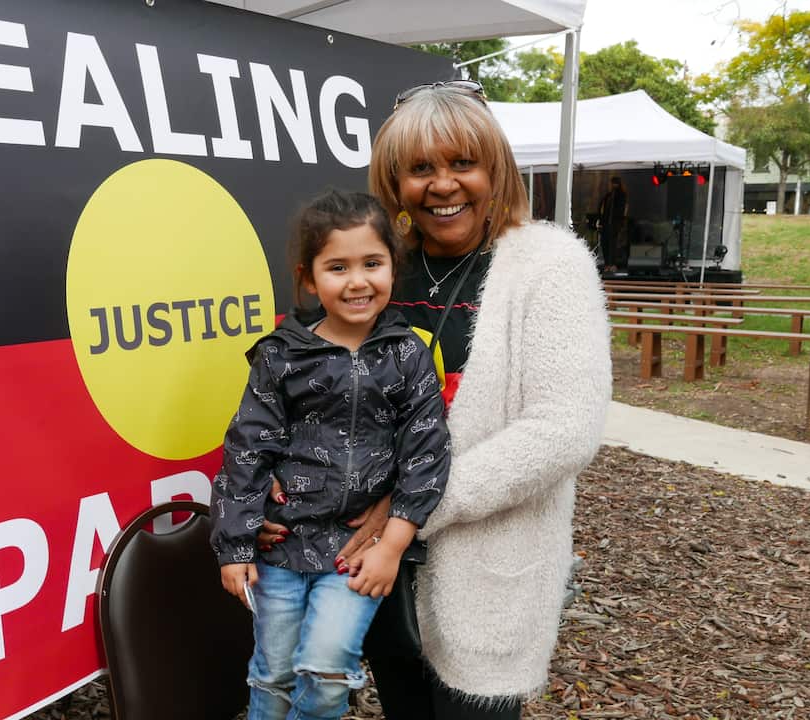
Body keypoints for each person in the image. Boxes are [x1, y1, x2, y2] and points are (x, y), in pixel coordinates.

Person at [258, 80, 612, 718]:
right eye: (420, 168)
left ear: (494, 169)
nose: (443, 185)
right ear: (395, 183)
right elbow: (315, 393)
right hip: (376, 574)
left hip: (485, 570)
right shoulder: (379, 267)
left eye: (463, 163)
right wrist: (279, 478)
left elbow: (563, 430)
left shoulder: (549, 265)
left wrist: (410, 508)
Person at [210, 189, 452, 720]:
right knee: (273, 674)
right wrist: (235, 544)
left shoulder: (408, 354)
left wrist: (392, 545)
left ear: (394, 267)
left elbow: (427, 451)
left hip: (356, 556)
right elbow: (248, 447)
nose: (357, 281)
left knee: (325, 672)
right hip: (281, 550)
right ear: (309, 278)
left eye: (372, 263)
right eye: (338, 267)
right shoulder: (282, 355)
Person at [597, 176, 629, 271]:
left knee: (613, 244)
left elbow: (622, 210)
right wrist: (601, 221)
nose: (612, 185)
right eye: (612, 183)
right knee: (605, 243)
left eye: (614, 183)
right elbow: (602, 209)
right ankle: (607, 263)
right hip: (606, 223)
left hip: (614, 224)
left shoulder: (621, 195)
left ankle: (613, 264)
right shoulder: (608, 196)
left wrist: (620, 222)